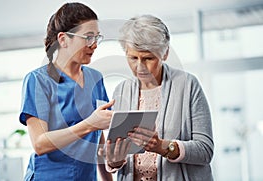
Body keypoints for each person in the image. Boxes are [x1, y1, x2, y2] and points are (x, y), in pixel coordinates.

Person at [104, 15, 214, 181]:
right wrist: (114, 161)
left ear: (165, 53)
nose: (140, 67)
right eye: (133, 58)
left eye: (148, 58)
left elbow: (205, 151)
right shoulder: (121, 91)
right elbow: (120, 159)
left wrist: (162, 146)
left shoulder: (188, 85)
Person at [19, 2, 114, 181]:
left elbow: (99, 136)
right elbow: (40, 143)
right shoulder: (38, 80)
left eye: (97, 37)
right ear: (63, 39)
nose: (94, 45)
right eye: (88, 37)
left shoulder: (96, 78)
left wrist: (108, 180)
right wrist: (90, 124)